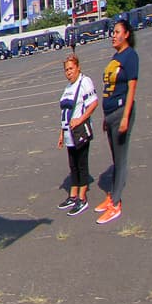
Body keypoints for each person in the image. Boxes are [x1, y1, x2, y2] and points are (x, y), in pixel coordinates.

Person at [95, 19, 139, 225]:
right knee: (115, 158)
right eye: (113, 32)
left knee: (120, 160)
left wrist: (125, 117)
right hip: (110, 114)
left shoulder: (130, 56)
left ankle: (116, 203)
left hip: (122, 112)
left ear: (127, 34)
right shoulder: (116, 56)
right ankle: (112, 194)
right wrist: (106, 118)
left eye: (117, 32)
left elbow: (131, 88)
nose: (113, 35)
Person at [56, 53, 97, 216]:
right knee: (72, 165)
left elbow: (93, 103)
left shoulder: (84, 82)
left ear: (78, 68)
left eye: (71, 68)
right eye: (66, 69)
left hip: (80, 131)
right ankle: (73, 195)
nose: (69, 72)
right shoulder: (67, 88)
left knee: (81, 164)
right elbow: (65, 112)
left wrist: (80, 119)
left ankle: (82, 198)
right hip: (68, 134)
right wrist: (61, 133)